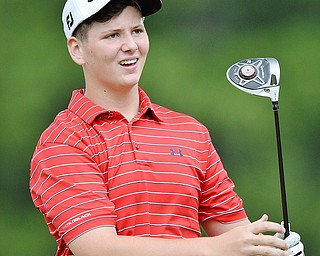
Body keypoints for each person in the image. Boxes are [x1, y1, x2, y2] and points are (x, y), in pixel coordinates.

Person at [29, 0, 305, 255]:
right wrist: (214, 248)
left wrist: (271, 248)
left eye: (136, 30)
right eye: (112, 35)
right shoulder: (63, 142)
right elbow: (97, 247)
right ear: (77, 49)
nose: (130, 45)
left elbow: (234, 236)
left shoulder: (190, 132)